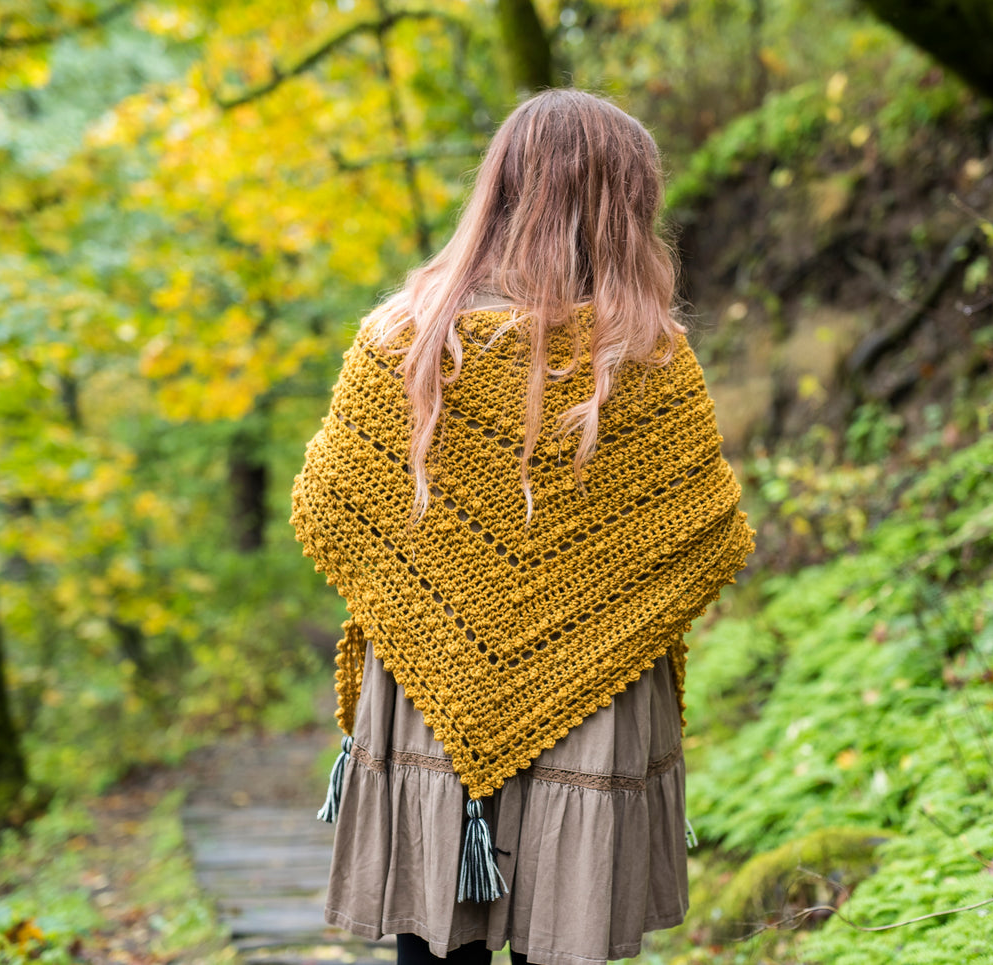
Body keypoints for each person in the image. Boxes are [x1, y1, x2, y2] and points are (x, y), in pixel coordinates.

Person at [289, 88, 754, 965]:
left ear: (500, 189)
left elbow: (329, 505)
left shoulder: (401, 339)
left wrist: (434, 590)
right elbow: (707, 530)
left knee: (436, 939)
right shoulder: (649, 356)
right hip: (593, 679)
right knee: (562, 941)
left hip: (434, 681)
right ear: (625, 207)